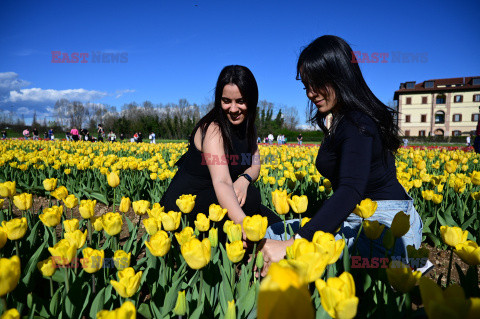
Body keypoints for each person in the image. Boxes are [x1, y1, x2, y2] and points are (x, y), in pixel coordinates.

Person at [260, 35, 423, 275]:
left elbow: (350, 189)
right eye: (306, 85)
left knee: (307, 258)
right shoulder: (340, 119)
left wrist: (296, 243)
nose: (310, 93)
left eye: (317, 84)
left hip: (387, 222)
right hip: (356, 217)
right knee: (270, 232)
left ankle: (411, 264)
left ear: (340, 76)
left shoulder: (358, 122)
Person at [160, 65, 281, 235]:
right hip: (187, 202)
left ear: (252, 100)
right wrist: (240, 223)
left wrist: (244, 180)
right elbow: (222, 181)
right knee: (252, 200)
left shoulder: (249, 128)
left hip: (221, 195)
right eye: (226, 101)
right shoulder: (213, 129)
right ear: (219, 99)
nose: (233, 109)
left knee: (278, 225)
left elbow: (254, 166)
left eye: (240, 101)